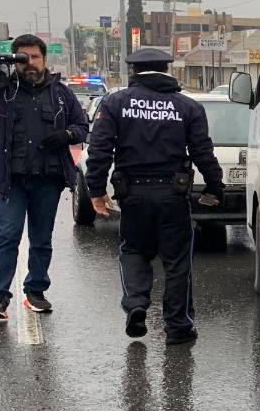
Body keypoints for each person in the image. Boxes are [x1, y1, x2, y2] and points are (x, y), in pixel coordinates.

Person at [85, 48, 224, 345]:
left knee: (133, 250)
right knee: (177, 262)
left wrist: (96, 190)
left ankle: (136, 303)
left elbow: (99, 150)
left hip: (132, 194)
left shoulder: (115, 103)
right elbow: (203, 152)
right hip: (173, 195)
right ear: (167, 69)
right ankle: (177, 327)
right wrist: (214, 186)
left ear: (134, 72)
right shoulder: (188, 107)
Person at [0, 34, 90, 320]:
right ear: (14, 62)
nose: (30, 64)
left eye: (34, 57)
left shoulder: (61, 93)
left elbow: (82, 125)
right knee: (7, 236)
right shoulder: (3, 92)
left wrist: (67, 134)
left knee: (41, 239)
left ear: (44, 59)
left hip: (47, 180)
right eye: (23, 59)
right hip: (11, 181)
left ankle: (35, 292)